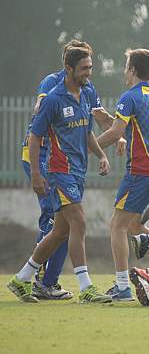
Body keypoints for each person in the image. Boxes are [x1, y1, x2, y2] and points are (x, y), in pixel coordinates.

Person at [7, 46, 113, 303]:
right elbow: (35, 137)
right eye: (84, 68)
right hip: (58, 171)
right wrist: (35, 173)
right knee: (80, 222)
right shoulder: (53, 99)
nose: (89, 72)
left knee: (59, 232)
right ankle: (86, 287)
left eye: (90, 67)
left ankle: (20, 280)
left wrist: (101, 155)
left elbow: (87, 131)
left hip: (77, 172)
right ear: (69, 69)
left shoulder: (86, 93)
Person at [96, 49, 149, 301]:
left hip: (142, 170)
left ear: (132, 70)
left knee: (117, 225)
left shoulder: (129, 96)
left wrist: (87, 148)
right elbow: (132, 129)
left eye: (126, 66)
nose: (124, 71)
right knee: (134, 226)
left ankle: (122, 286)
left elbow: (115, 133)